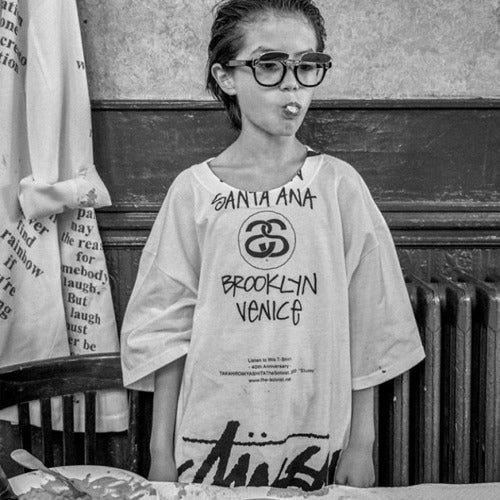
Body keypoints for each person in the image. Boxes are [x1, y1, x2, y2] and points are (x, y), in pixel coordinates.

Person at [120, 0, 425, 491]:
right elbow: (166, 330)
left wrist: (362, 444)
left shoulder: (338, 186)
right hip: (210, 437)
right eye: (269, 65)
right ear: (226, 77)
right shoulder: (193, 192)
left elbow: (370, 320)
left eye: (306, 66)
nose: (291, 85)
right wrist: (161, 454)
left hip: (315, 433)